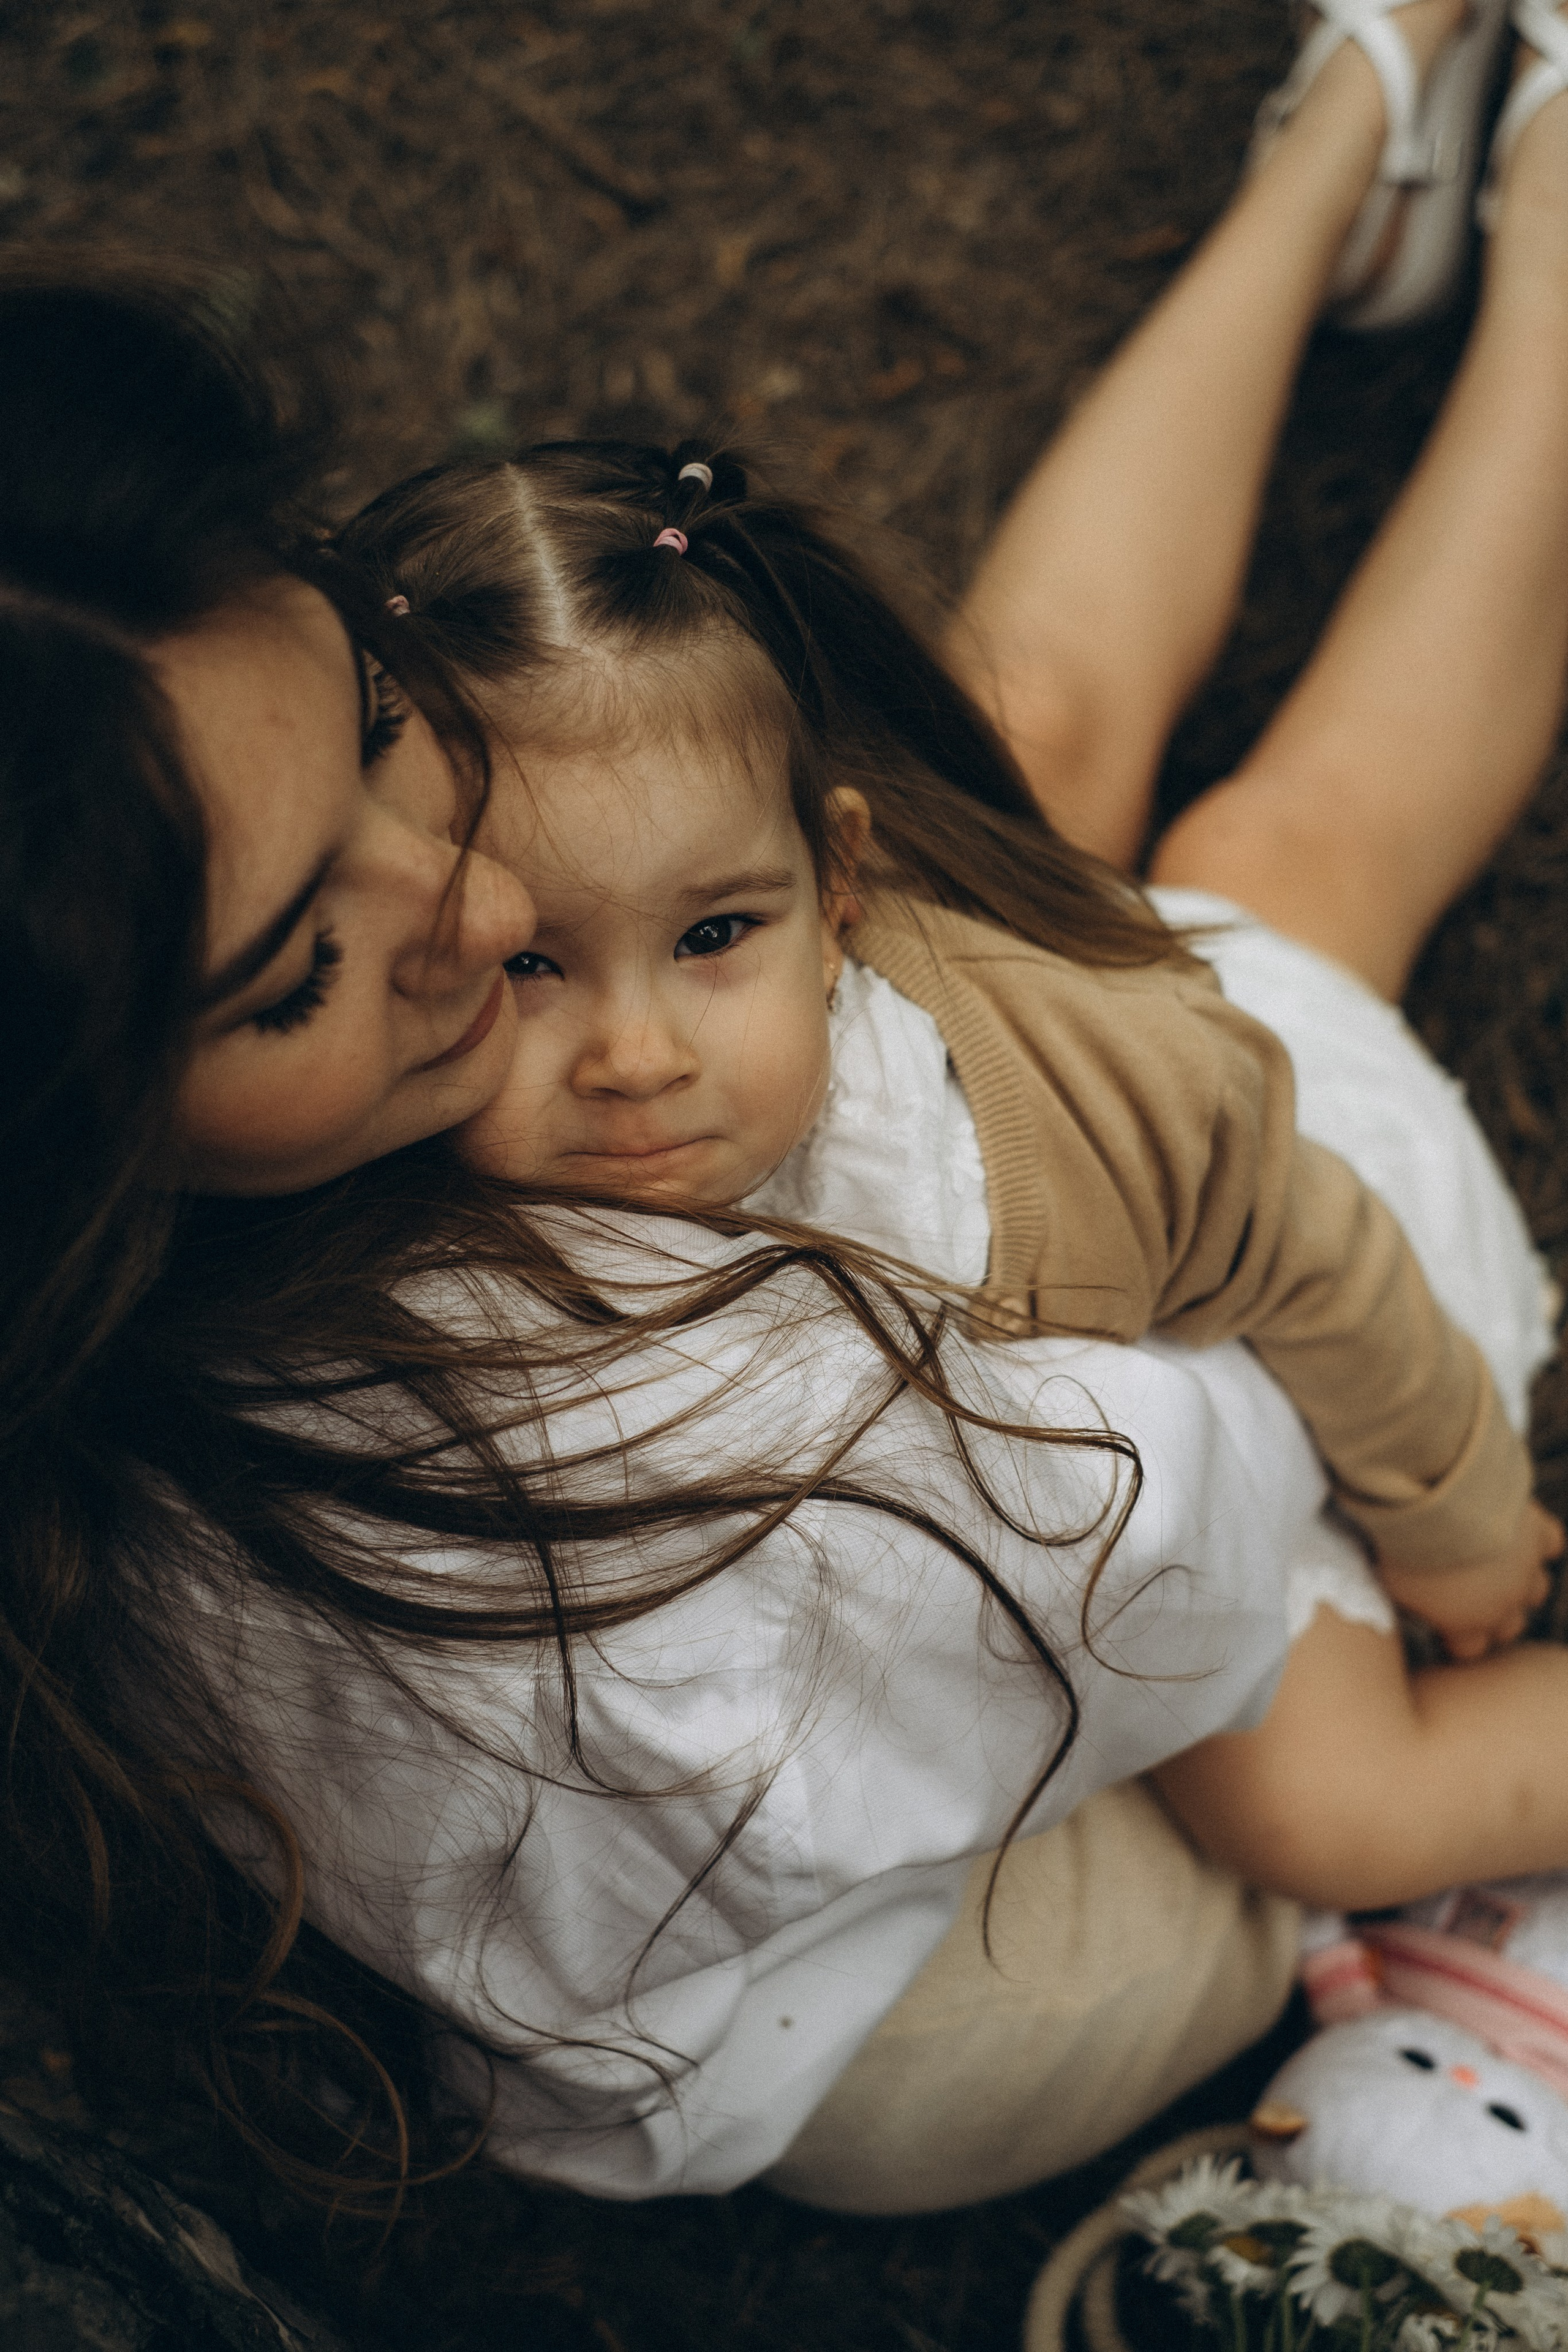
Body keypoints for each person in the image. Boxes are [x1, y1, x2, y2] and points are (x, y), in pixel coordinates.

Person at [4, 0, 1568, 2224]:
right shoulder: (674, 1467)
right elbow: (1187, 1502)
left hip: (897, 1713)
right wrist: (1433, 1495)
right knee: (1290, 859)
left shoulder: (225, 1105)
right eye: (302, 971)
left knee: (1002, 740)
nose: (458, 894)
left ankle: (1339, 152)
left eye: (364, 718)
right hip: (975, 1910)